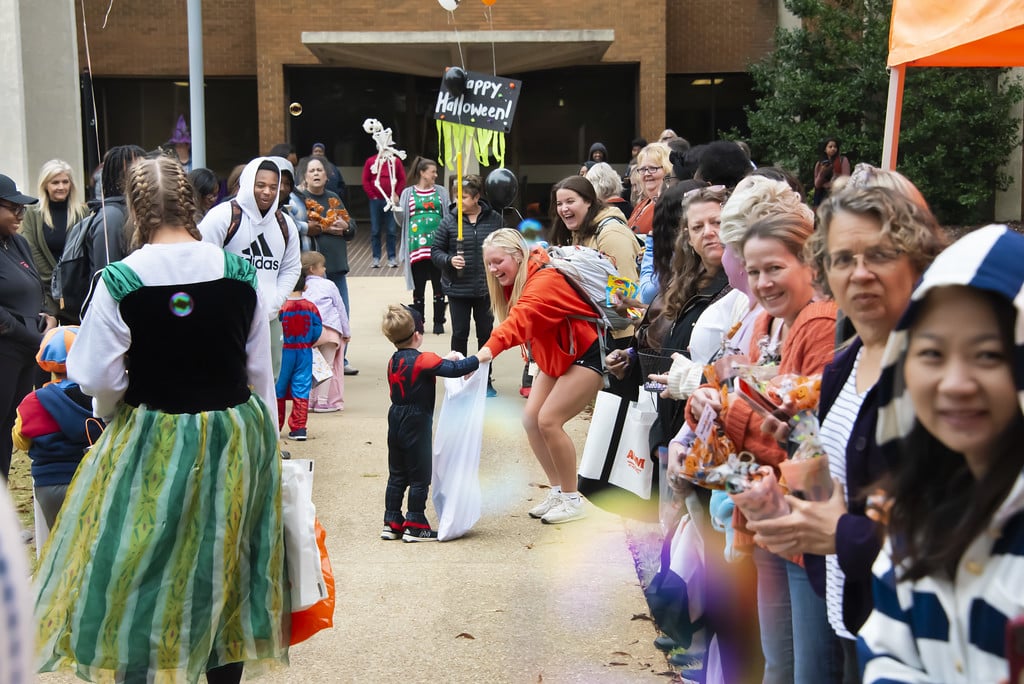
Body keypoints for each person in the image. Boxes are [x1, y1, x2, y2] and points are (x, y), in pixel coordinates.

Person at [34, 156, 288, 683]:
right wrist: (261, 432)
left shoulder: (121, 279)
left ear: (135, 208)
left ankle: (149, 666)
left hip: (153, 431)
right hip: (234, 432)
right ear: (192, 204)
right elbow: (259, 369)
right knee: (226, 561)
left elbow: (97, 379)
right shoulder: (238, 272)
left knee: (141, 561)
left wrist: (125, 400)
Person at [747, 181, 946, 681]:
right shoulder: (844, 365)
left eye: (879, 254)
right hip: (847, 616)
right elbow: (838, 492)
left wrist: (841, 534)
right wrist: (784, 504)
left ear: (916, 259)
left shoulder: (940, 373)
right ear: (825, 271)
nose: (859, 274)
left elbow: (948, 529)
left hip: (915, 638)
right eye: (842, 259)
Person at [858, 224, 1024, 683]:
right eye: (931, 353)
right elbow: (887, 655)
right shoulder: (915, 518)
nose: (955, 383)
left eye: (988, 355)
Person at [685, 206, 839, 684]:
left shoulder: (818, 324)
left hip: (805, 517)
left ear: (809, 263)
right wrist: (707, 401)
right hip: (767, 511)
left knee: (806, 669)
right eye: (754, 271)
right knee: (777, 663)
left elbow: (800, 431)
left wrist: (725, 409)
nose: (763, 282)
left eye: (775, 268)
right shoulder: (770, 323)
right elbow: (746, 401)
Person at [479, 229, 607, 524]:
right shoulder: (520, 279)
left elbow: (520, 321)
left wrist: (485, 353)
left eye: (498, 261)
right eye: (488, 263)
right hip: (557, 357)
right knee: (531, 420)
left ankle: (573, 500)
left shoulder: (545, 280)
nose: (493, 269)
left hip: (586, 354)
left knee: (548, 421)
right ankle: (560, 491)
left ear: (517, 256)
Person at [381, 304, 485, 542]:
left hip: (395, 416)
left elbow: (434, 367)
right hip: (416, 421)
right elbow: (455, 369)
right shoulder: (424, 358)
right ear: (417, 334)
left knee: (397, 473)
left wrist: (443, 360)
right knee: (420, 473)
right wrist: (479, 358)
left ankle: (392, 520)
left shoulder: (393, 360)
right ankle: (415, 522)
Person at [199, 156, 301, 381]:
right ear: (247, 183)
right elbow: (201, 260)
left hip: (269, 318)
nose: (267, 192)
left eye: (273, 187)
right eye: (260, 185)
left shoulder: (286, 225)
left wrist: (275, 302)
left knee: (268, 382)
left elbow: (292, 267)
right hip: (225, 319)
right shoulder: (222, 216)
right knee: (224, 380)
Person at [13, 325, 102, 531]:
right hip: (91, 477)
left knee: (59, 541)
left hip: (49, 483)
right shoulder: (99, 396)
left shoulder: (32, 402)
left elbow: (21, 441)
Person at [1, 174, 55, 480]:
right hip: (7, 351)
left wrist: (44, 315)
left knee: (10, 428)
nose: (20, 214)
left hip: (25, 350)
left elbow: (34, 287)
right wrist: (33, 335)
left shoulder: (18, 243)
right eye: (12, 208)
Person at [431, 174, 503, 397]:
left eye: (464, 197)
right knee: (460, 334)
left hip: (485, 288)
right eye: (457, 196)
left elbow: (507, 245)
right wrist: (449, 260)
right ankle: (459, 378)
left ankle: (485, 381)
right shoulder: (449, 221)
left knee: (485, 335)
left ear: (477, 197)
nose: (459, 201)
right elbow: (436, 251)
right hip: (457, 288)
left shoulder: (495, 220)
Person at [301, 156, 357, 374]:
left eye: (319, 171)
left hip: (336, 267)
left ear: (327, 176)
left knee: (341, 312)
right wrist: (323, 229)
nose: (316, 174)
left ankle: (340, 359)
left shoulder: (334, 197)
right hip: (312, 271)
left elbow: (350, 226)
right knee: (316, 316)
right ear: (305, 177)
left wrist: (346, 227)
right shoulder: (300, 199)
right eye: (312, 171)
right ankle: (315, 361)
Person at [19, 159, 89, 319]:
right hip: (46, 294)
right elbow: (31, 249)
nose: (61, 187)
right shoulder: (33, 213)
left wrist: (69, 283)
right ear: (45, 185)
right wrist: (55, 284)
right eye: (55, 182)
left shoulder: (82, 212)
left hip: (77, 293)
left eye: (65, 182)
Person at [395, 157, 451, 334]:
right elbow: (401, 220)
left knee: (439, 284)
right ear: (422, 172)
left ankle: (438, 321)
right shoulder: (407, 193)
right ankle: (419, 322)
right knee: (418, 286)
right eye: (432, 171)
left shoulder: (441, 191)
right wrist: (396, 206)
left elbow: (449, 214)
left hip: (438, 246)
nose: (435, 174)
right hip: (416, 247)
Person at [301, 250, 349, 412]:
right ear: (313, 269)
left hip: (309, 333)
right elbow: (341, 309)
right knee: (327, 367)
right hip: (330, 331)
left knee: (311, 366)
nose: (325, 270)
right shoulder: (329, 285)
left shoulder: (302, 287)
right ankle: (322, 402)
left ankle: (308, 401)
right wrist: (346, 332)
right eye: (322, 267)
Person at [88, 144, 146, 277]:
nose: (148, 174)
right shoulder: (111, 218)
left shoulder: (136, 210)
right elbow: (108, 279)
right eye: (141, 170)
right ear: (122, 177)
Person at [277, 271, 322, 441]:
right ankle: (299, 428)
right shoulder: (310, 307)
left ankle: (276, 425)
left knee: (278, 388)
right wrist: (310, 340)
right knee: (302, 388)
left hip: (283, 350)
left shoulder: (281, 306)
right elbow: (317, 328)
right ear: (305, 286)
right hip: (304, 350)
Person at [363, 148, 406, 268]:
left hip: (391, 200)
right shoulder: (371, 161)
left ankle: (391, 257)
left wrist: (396, 194)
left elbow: (402, 178)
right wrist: (372, 196)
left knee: (391, 230)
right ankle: (376, 258)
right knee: (375, 230)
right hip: (376, 200)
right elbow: (365, 180)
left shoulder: (395, 162)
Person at [627, 142, 672, 236]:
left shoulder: (669, 206)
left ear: (667, 170)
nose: (647, 174)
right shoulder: (642, 204)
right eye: (643, 169)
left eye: (652, 168)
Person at [813, 137, 851, 207]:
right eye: (830, 147)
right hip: (823, 197)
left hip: (838, 196)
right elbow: (817, 184)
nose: (833, 149)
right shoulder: (819, 164)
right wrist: (822, 172)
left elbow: (846, 180)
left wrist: (832, 184)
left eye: (835, 147)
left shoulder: (843, 160)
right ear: (825, 149)